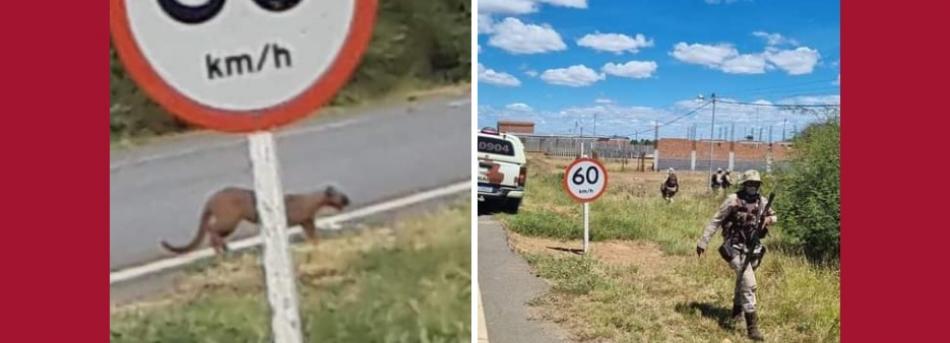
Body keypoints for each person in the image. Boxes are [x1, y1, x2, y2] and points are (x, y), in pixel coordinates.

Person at [696, 169, 776, 341]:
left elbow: (774, 216)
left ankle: (736, 311)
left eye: (755, 184)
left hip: (753, 249)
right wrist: (703, 241)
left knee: (742, 279)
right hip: (734, 248)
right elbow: (716, 220)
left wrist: (768, 220)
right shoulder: (733, 200)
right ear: (744, 184)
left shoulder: (762, 202)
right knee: (750, 284)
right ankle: (752, 328)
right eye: (749, 184)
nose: (752, 187)